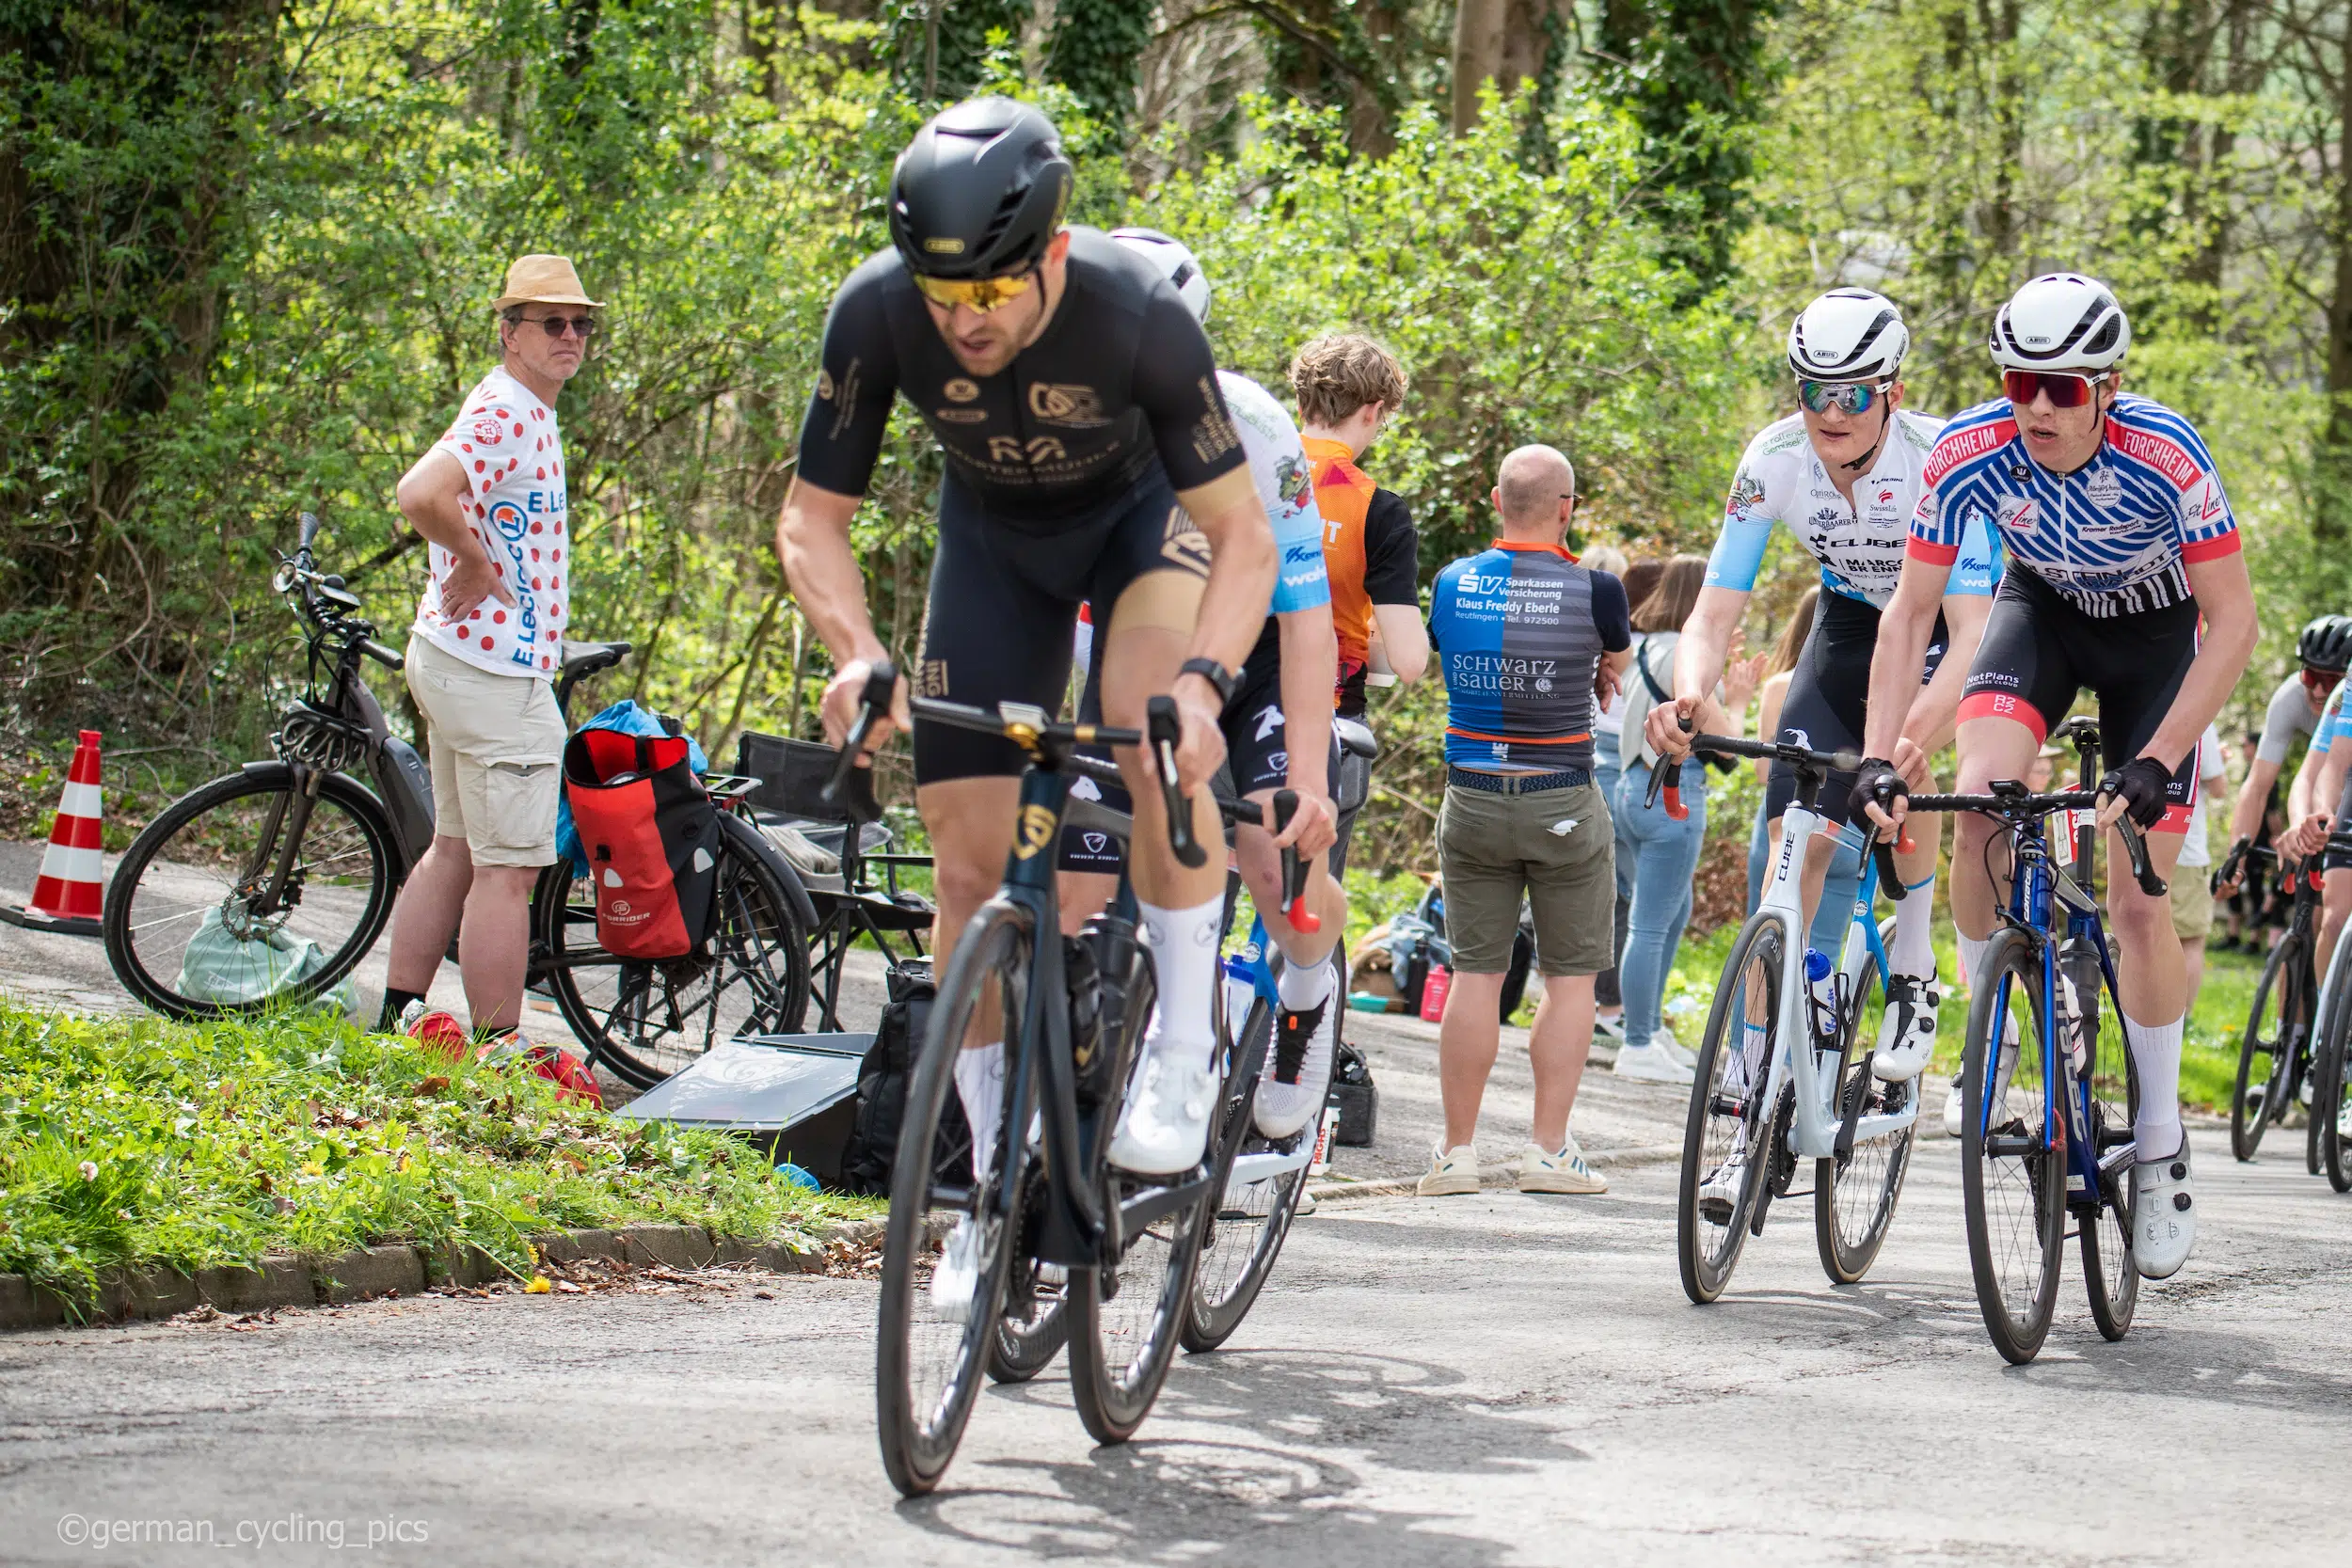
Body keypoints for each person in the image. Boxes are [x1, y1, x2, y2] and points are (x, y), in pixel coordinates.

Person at [772, 100, 1286, 1216]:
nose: (966, 319)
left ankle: (1185, 1048)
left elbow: (1245, 537)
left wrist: (1204, 685)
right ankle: (993, 1173)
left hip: (1141, 526)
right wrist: (856, 653)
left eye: (993, 289)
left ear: (1052, 251)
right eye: (943, 292)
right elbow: (812, 516)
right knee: (966, 870)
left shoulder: (1137, 315)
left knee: (1149, 728)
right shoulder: (876, 309)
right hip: (995, 544)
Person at [1856, 273, 2258, 1281]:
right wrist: (1879, 752)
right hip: (2040, 614)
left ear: (2107, 387)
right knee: (1979, 804)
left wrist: (2160, 757)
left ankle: (2159, 1142)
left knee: (2136, 900)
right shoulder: (1968, 449)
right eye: (2019, 382)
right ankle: (1991, 1019)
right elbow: (1908, 614)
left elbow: (2235, 625)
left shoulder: (2167, 453)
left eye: (2063, 389)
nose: (2037, 405)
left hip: (2155, 639)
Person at [1645, 288, 1996, 1086]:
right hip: (1849, 620)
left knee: (1902, 755)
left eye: (1852, 396)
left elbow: (1975, 633)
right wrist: (1688, 696)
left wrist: (1904, 741)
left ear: (1893, 392)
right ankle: (1755, 1063)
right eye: (1814, 392)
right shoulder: (1773, 459)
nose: (1830, 413)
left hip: (1949, 620)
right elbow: (1712, 613)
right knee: (1792, 842)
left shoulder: (1940, 461)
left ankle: (1914, 959)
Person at [1057, 227, 1344, 1141]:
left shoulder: (1253, 428)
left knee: (1270, 854)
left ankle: (1307, 990)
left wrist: (1307, 780)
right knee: (1073, 890)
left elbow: (1306, 618)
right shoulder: (1050, 414)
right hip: (1131, 654)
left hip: (1253, 659)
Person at [378, 254, 595, 1045]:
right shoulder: (509, 411)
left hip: (460, 659)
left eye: (581, 324)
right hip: (494, 674)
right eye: (551, 322)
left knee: (456, 850)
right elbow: (418, 493)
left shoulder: (518, 404)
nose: (570, 335)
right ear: (510, 331)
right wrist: (471, 558)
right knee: (509, 873)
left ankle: (397, 1015)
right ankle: (498, 1052)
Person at [1418, 445, 1631, 1196]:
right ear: (1566, 507)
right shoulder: (1598, 589)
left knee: (1475, 973)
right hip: (1561, 796)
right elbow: (1615, 662)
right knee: (1571, 980)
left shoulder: (1452, 581)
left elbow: (1444, 649)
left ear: (1495, 500)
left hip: (1471, 794)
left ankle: (1455, 1153)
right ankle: (1547, 1150)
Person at [1616, 554, 1755, 1084]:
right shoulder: (1686, 660)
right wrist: (1737, 699)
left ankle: (1649, 1031)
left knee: (1671, 913)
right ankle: (1637, 1041)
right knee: (1651, 924)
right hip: (1672, 793)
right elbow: (1730, 742)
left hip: (1632, 788)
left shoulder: (1648, 646)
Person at [1292, 334, 1427, 725]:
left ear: (1301, 405)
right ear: (1374, 411)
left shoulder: (1244, 476)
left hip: (1229, 705)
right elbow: (1409, 662)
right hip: (1327, 714)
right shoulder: (1378, 509)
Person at [1746, 586, 1861, 955]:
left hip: (1786, 817)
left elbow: (1763, 772)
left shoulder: (1778, 687)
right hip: (1849, 822)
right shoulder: (1863, 685)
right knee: (1823, 947)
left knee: (1767, 939)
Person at [2214, 616, 2352, 909]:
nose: (2318, 691)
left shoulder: (2345, 699)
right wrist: (2236, 860)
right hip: (2327, 776)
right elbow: (2257, 787)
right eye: (2311, 677)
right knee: (2319, 905)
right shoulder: (2291, 697)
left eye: (2332, 681)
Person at [1594, 556, 1662, 1039]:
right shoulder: (1658, 651)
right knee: (1636, 905)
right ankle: (1621, 1013)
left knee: (1607, 892)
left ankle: (1601, 1005)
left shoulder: (1611, 646)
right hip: (1635, 768)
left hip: (1593, 760)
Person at [2174, 726, 2229, 1010]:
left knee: (2142, 938)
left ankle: (2138, 1020)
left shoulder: (2137, 705)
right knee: (2190, 941)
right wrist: (2219, 761)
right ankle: (2180, 1020)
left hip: (2135, 843)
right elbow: (2219, 788)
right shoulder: (2201, 719)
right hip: (2185, 849)